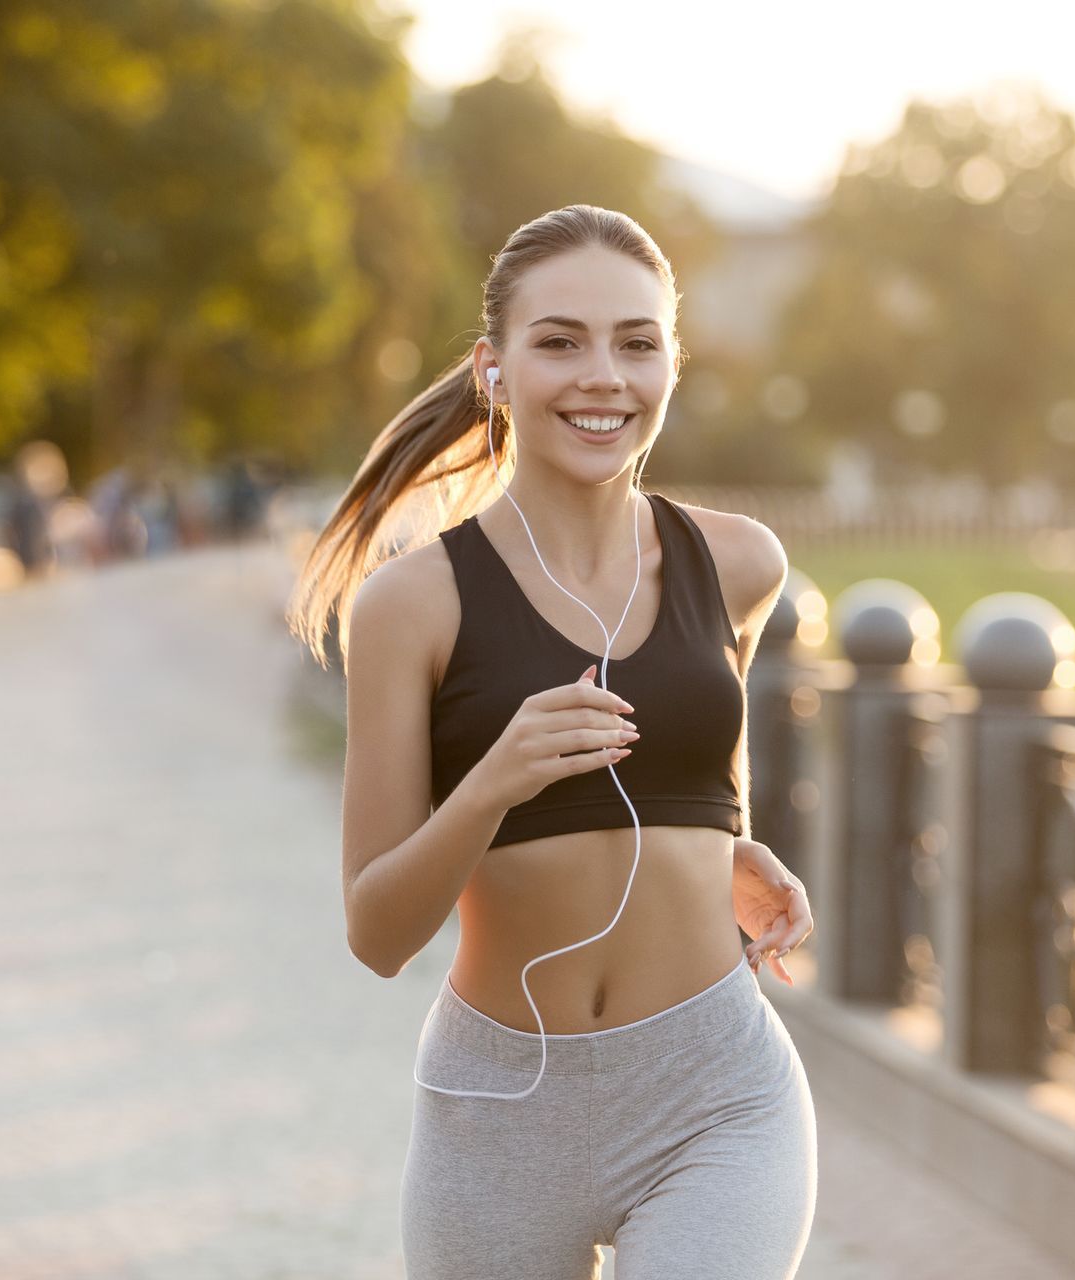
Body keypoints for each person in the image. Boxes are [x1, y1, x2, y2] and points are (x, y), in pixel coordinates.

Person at [285, 205, 818, 1279]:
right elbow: (377, 932)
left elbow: (712, 760)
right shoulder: (412, 603)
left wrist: (731, 849)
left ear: (672, 362)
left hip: (716, 1089)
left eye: (637, 341)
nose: (603, 376)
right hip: (501, 1108)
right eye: (560, 340)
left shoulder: (741, 563)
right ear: (495, 368)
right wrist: (493, 783)